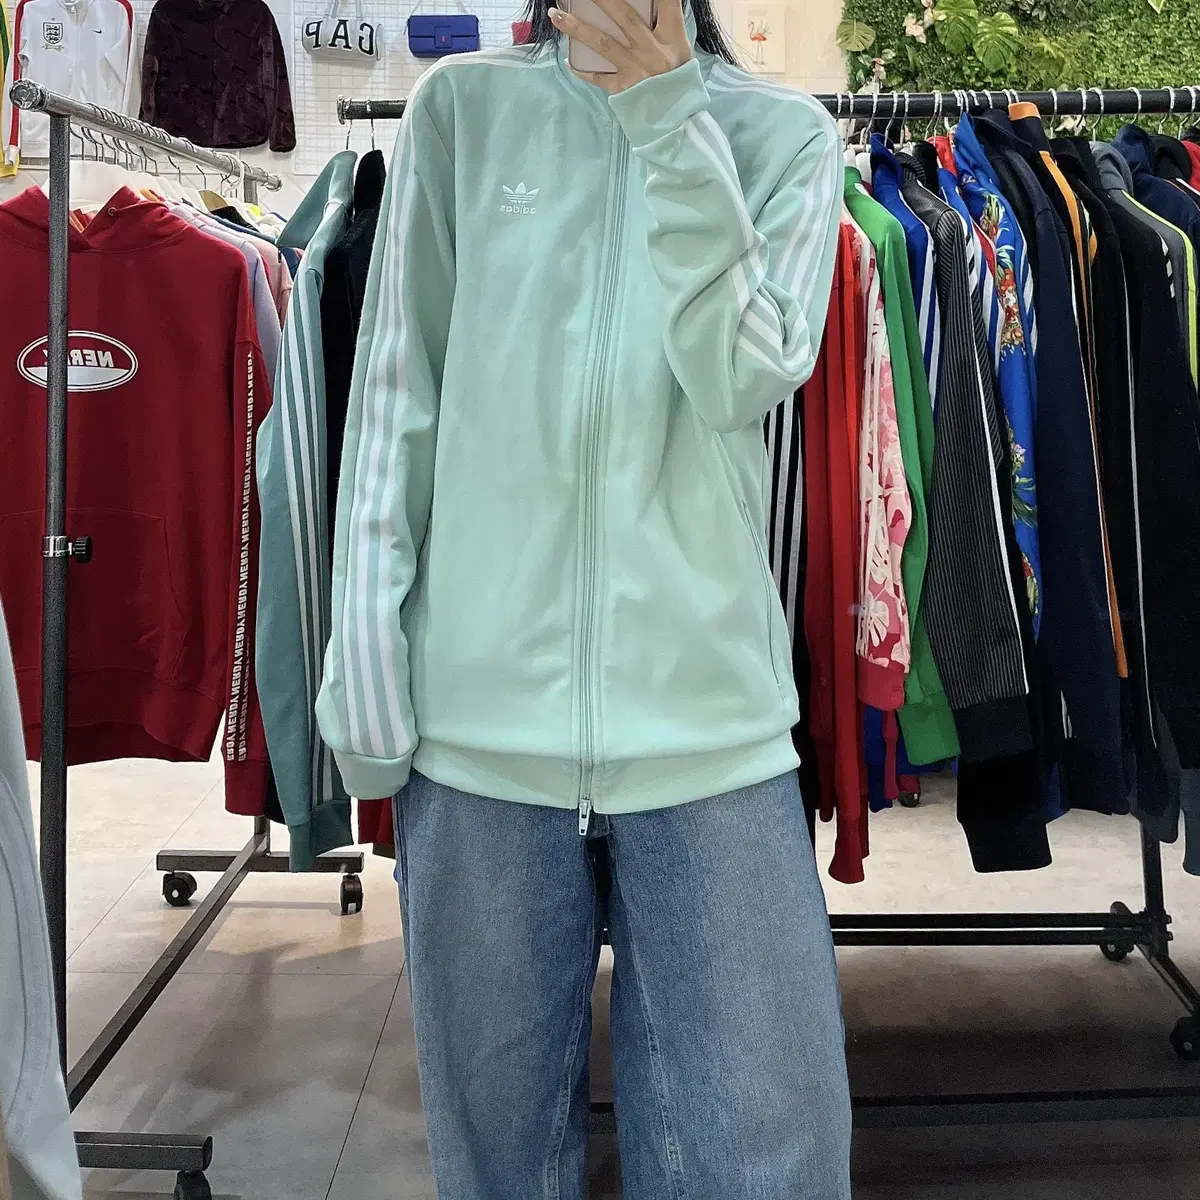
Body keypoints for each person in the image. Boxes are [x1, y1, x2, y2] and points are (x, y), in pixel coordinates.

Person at [316, 0, 852, 1194]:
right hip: (475, 739)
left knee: (763, 1163)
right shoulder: (464, 111)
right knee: (498, 1165)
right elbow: (396, 398)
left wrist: (669, 120)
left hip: (711, 736)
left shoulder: (786, 138)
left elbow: (742, 374)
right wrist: (367, 673)